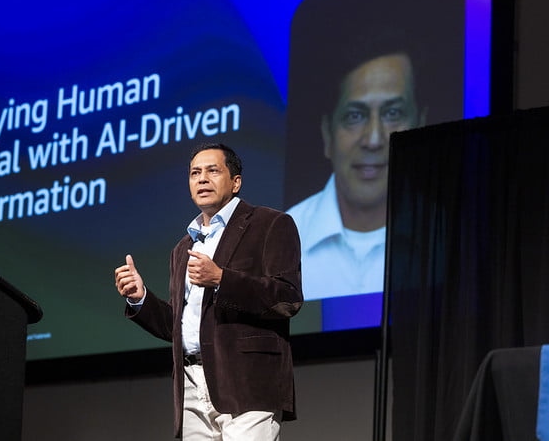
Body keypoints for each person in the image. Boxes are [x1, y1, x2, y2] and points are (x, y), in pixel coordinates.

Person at [114, 142, 303, 440]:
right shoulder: (182, 248)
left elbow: (287, 297)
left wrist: (221, 279)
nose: (202, 179)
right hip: (190, 386)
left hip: (247, 383)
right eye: (194, 173)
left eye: (213, 171)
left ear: (235, 182)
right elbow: (177, 325)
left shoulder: (270, 224)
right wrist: (141, 298)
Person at [286, 51, 426, 300]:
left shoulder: (454, 237)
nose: (373, 140)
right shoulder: (280, 238)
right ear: (327, 136)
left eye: (392, 114)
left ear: (421, 125)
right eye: (355, 116)